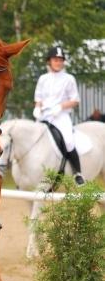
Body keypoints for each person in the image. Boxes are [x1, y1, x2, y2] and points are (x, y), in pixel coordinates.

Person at [33, 45, 85, 185]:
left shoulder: (69, 79)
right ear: (49, 61)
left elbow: (75, 100)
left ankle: (77, 173)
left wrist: (61, 106)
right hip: (44, 115)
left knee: (68, 141)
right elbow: (38, 97)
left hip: (60, 116)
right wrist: (37, 107)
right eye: (55, 60)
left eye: (61, 60)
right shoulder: (43, 78)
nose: (58, 62)